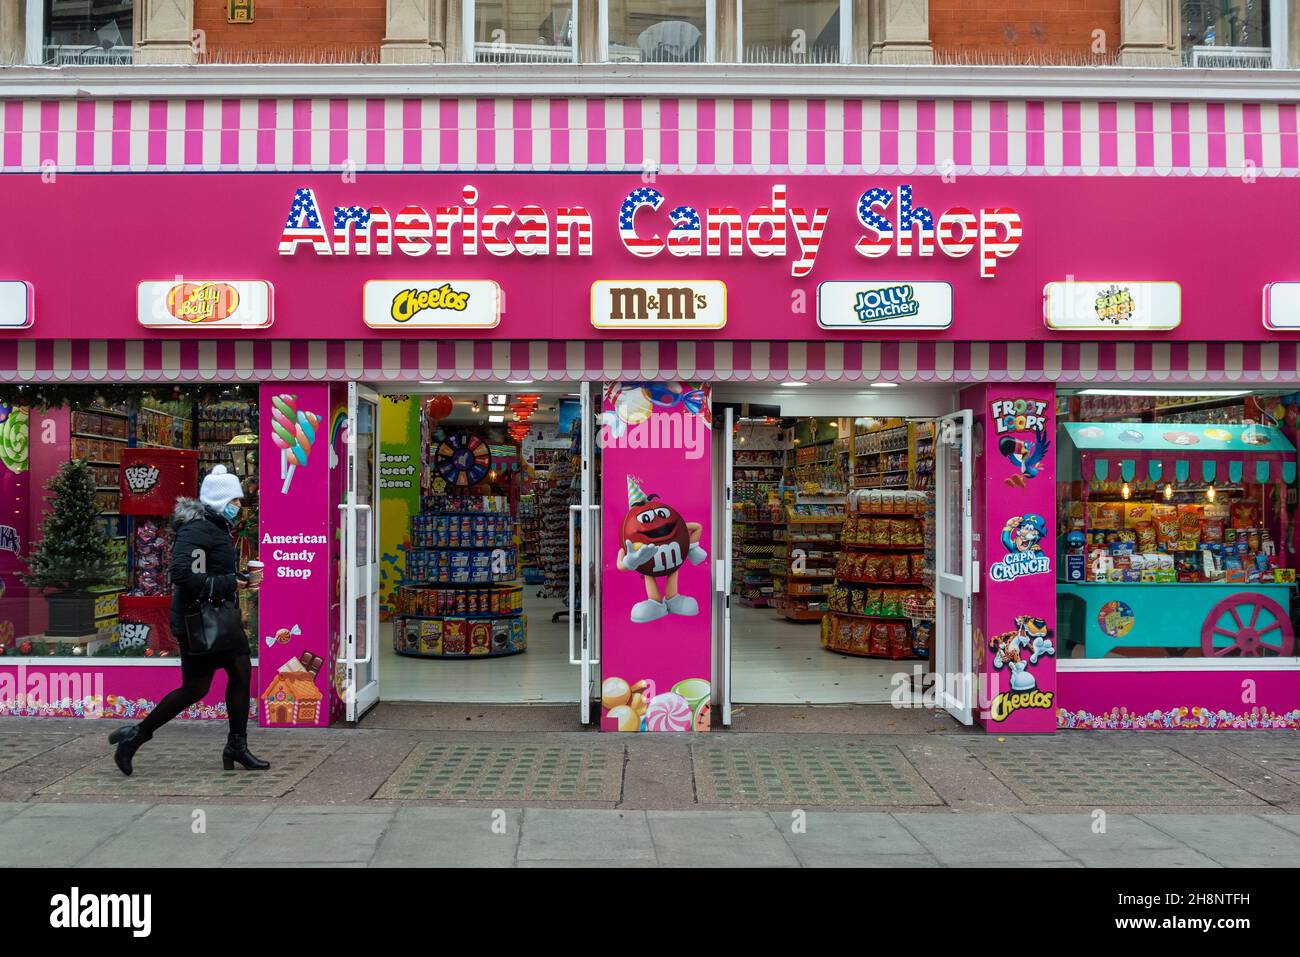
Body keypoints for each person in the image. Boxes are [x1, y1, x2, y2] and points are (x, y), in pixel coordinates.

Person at [108, 465, 269, 775]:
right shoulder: (197, 528)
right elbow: (182, 574)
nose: (238, 507)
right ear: (220, 501)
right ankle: (135, 736)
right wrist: (229, 583)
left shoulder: (217, 525)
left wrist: (240, 579)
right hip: (198, 621)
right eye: (234, 501)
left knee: (240, 671)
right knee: (195, 688)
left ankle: (236, 746)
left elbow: (208, 569)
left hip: (218, 617)